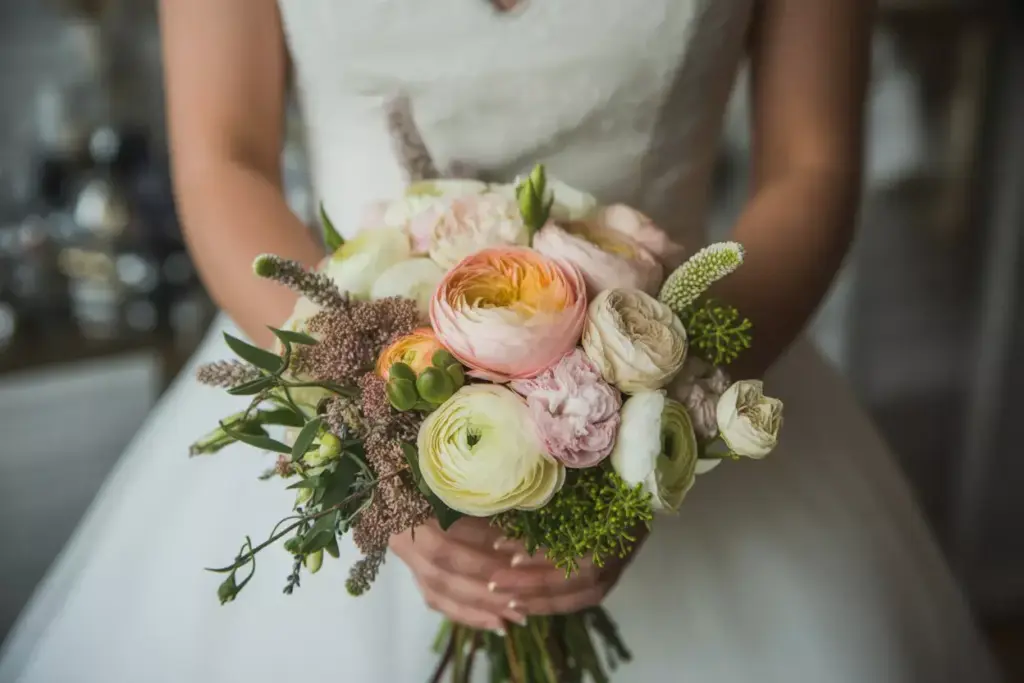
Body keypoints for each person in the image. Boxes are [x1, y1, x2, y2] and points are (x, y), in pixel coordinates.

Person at [0, 1, 1003, 681]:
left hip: (674, 371)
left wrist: (658, 418)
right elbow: (223, 157)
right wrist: (371, 436)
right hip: (334, 353)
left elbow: (813, 166)